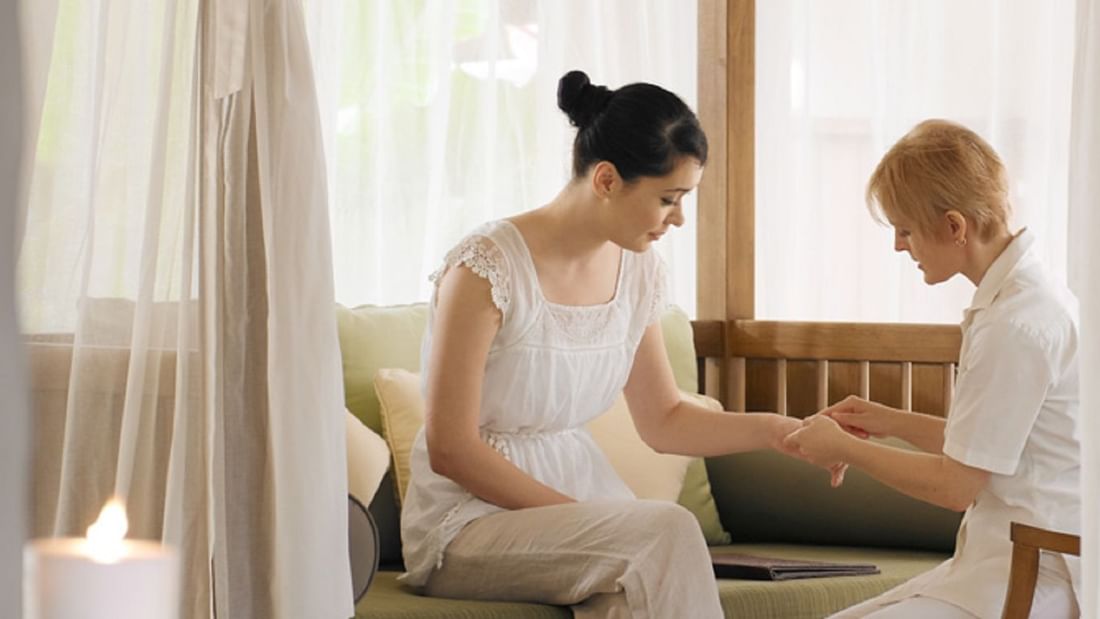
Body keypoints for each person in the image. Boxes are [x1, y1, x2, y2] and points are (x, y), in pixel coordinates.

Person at [398, 70, 820, 618]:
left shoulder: (639, 271)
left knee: (628, 596)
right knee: (661, 533)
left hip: (589, 518)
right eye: (668, 198)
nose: (679, 218)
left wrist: (776, 430)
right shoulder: (487, 268)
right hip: (469, 524)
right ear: (605, 181)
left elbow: (664, 418)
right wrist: (582, 519)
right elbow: (452, 448)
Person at [784, 119, 1081, 619]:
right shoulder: (1024, 300)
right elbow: (990, 447)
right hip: (1007, 559)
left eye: (905, 229)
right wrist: (885, 420)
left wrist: (846, 447)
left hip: (1032, 571)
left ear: (954, 226)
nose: (900, 246)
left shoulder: (1017, 324)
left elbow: (955, 486)